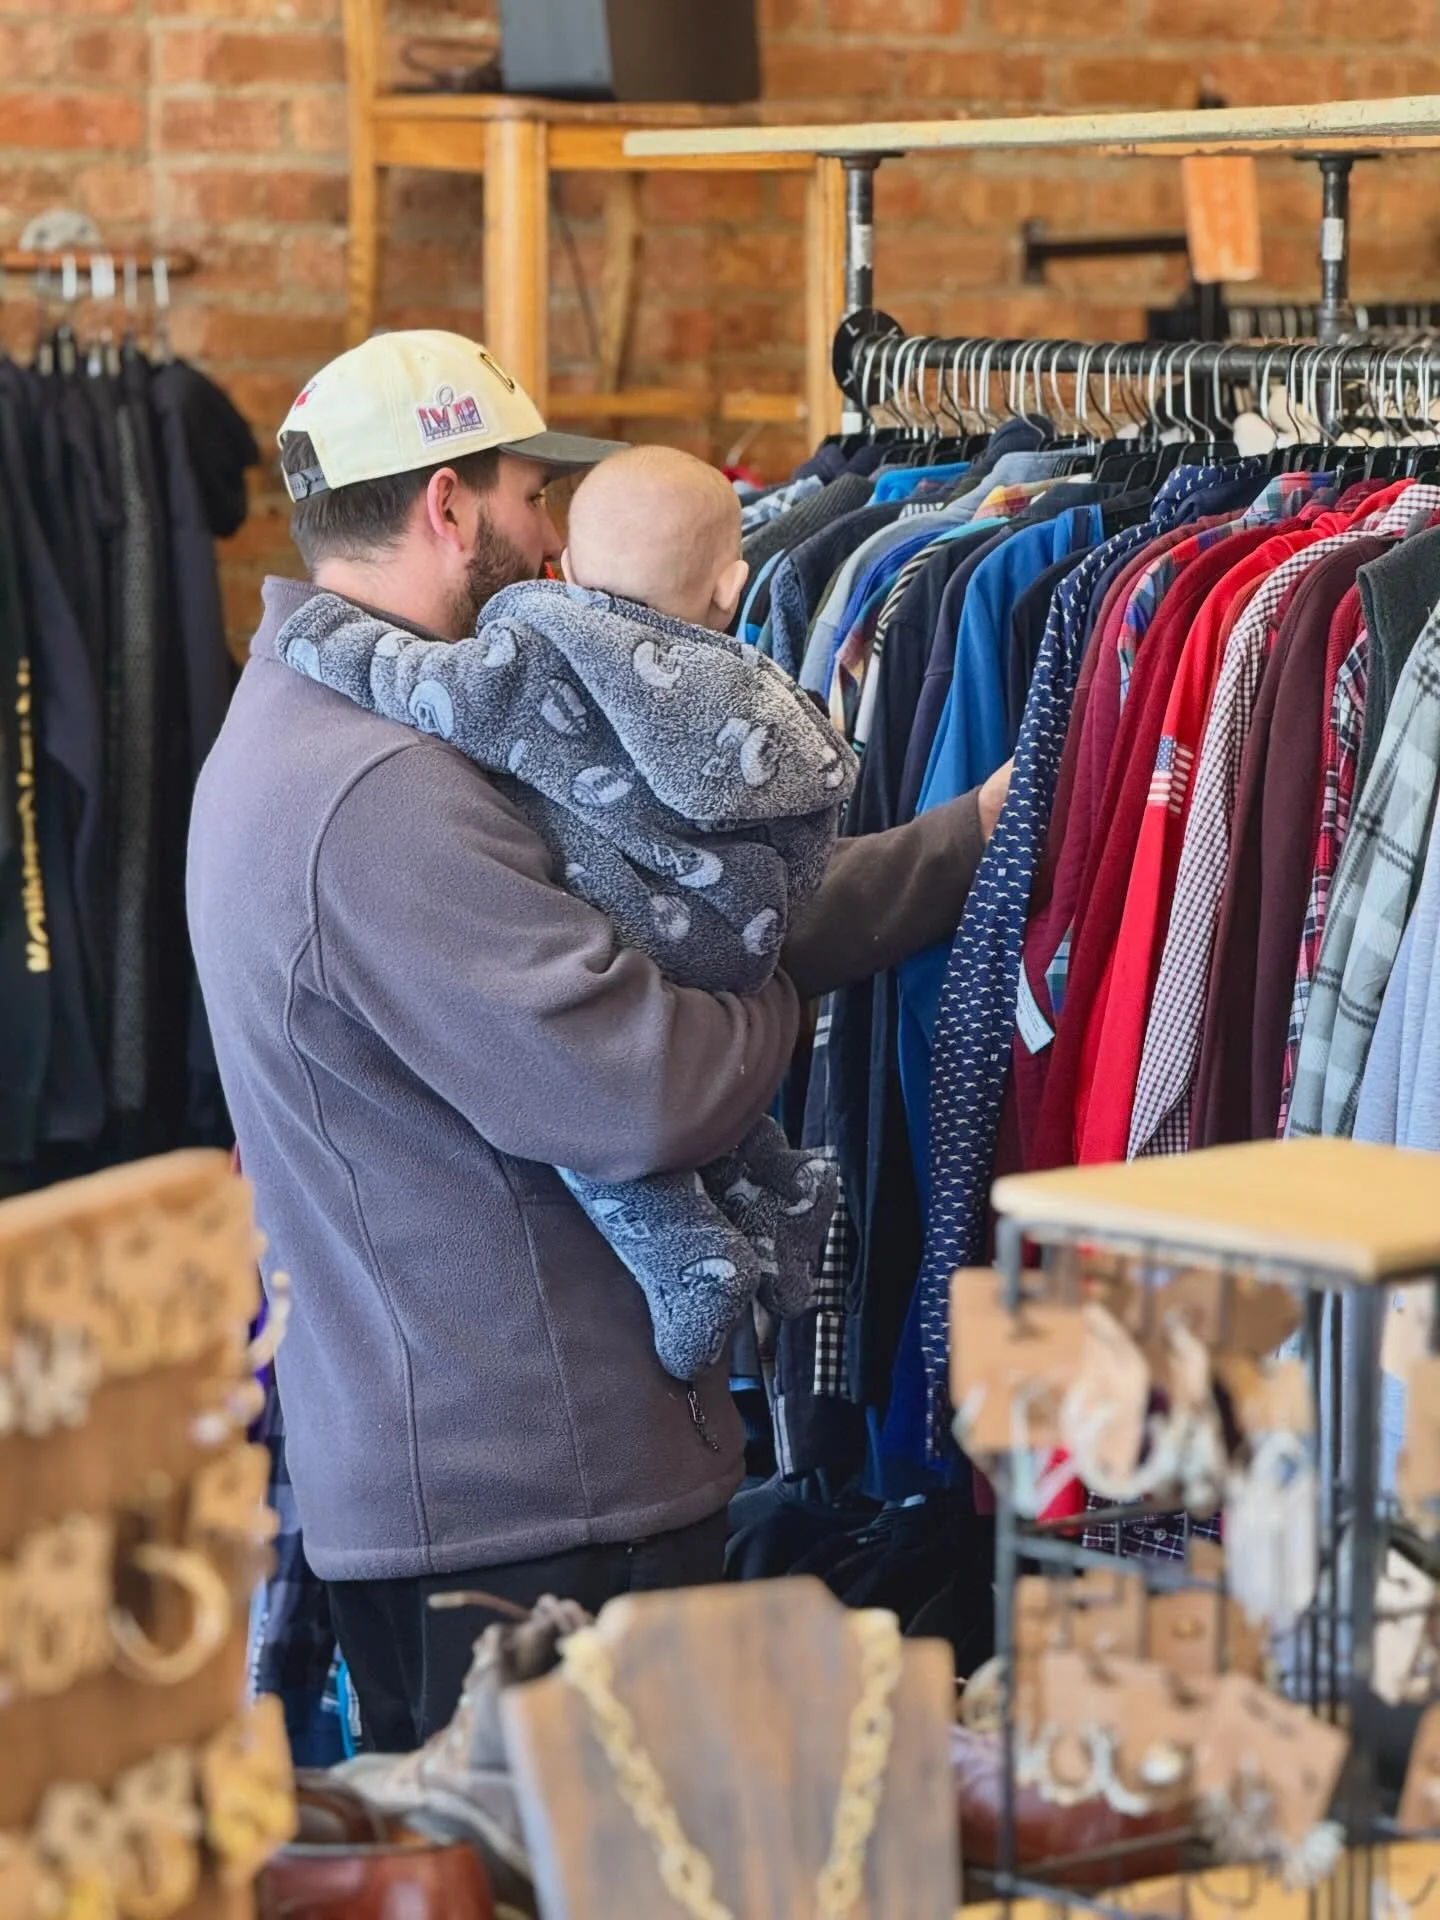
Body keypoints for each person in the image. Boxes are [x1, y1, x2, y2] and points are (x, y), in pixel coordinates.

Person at [188, 330, 1010, 1753]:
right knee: (596, 1856)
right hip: (528, 1510)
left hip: (501, 1483)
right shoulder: (378, 796)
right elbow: (645, 1085)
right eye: (532, 497)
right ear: (448, 506)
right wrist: (774, 1007)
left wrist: (972, 840)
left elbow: (675, 932)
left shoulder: (345, 730)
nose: (553, 543)